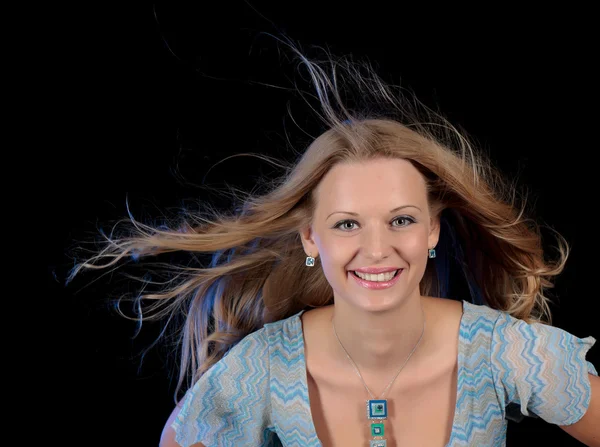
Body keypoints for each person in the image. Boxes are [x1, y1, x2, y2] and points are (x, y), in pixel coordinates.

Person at [68, 41, 599, 447]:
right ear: (310, 238)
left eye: (402, 220)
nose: (376, 249)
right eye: (347, 224)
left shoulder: (505, 351)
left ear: (432, 231)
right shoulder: (260, 370)